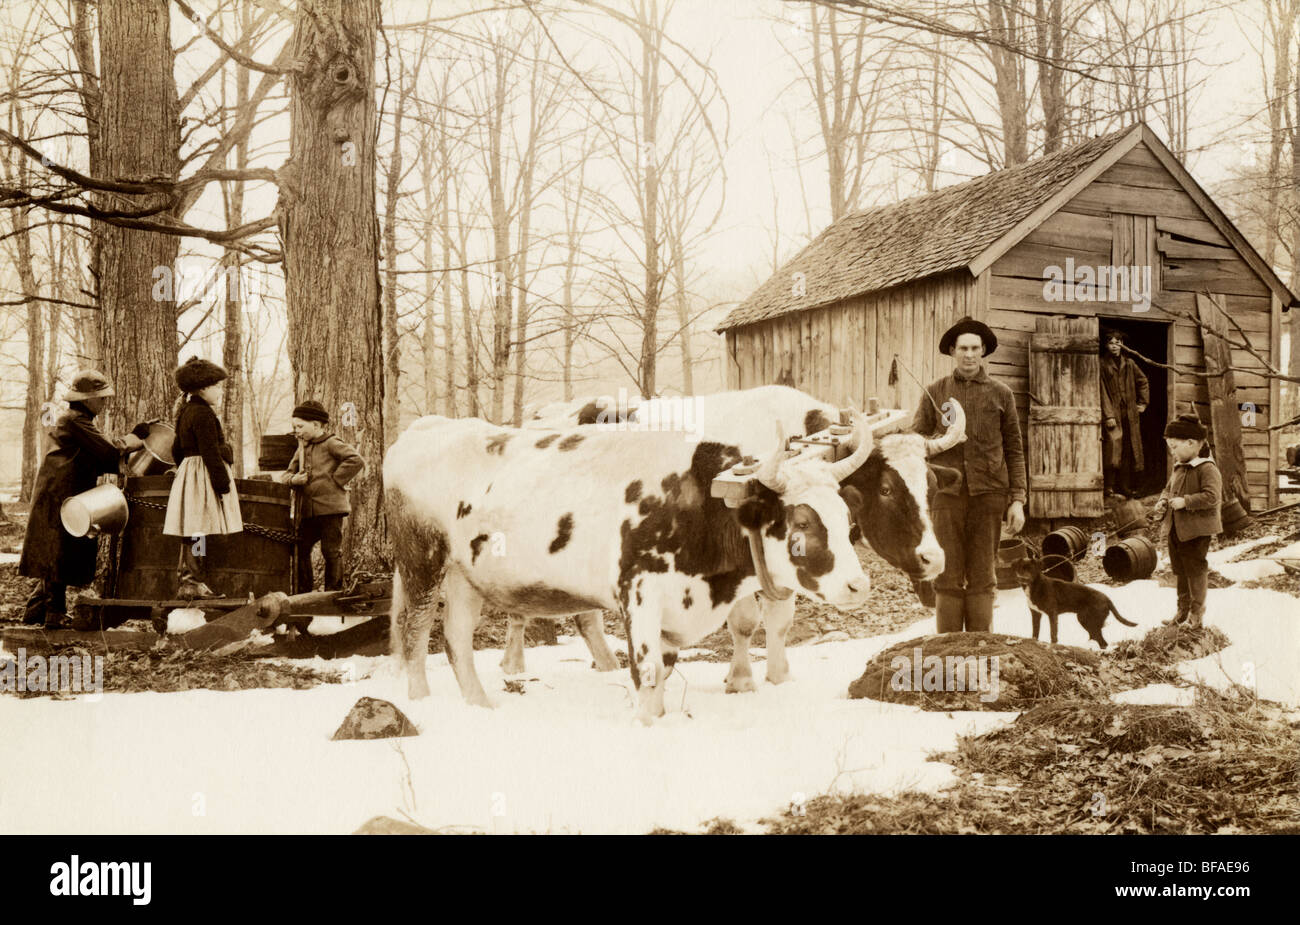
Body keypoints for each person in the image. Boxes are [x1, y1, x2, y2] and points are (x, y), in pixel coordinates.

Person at [913, 316, 1027, 633]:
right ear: (952, 351)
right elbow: (914, 443)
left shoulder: (1001, 394)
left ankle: (980, 647)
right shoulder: (935, 392)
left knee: (982, 575)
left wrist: (1017, 499)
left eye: (975, 348)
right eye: (963, 348)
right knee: (946, 574)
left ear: (983, 351)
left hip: (989, 496)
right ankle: (949, 650)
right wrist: (941, 441)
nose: (969, 355)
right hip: (946, 497)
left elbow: (1015, 450)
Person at [18, 370, 145, 628]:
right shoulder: (75, 420)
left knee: (57, 550)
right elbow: (108, 451)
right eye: (101, 397)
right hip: (61, 493)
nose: (104, 402)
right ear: (86, 399)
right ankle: (53, 613)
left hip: (58, 492)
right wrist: (135, 439)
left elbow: (94, 457)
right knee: (58, 551)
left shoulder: (72, 419)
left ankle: (36, 610)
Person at [163, 357, 242, 599]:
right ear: (204, 388)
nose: (220, 391)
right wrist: (222, 482)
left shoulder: (186, 411)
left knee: (195, 529)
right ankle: (192, 581)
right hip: (203, 474)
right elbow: (210, 451)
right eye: (217, 386)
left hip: (191, 472)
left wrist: (186, 469)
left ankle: (189, 579)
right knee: (199, 528)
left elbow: (177, 449)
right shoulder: (203, 413)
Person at [278, 400, 364, 592]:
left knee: (331, 551)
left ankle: (333, 592)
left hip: (331, 510)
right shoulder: (301, 449)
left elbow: (355, 460)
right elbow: (285, 476)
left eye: (300, 426)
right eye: (294, 427)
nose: (297, 431)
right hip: (307, 513)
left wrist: (335, 481)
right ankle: (304, 593)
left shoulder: (331, 443)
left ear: (316, 425)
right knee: (300, 550)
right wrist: (294, 480)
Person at [1151, 413, 1222, 627]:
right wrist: (1163, 500)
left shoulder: (1207, 468)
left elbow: (1212, 497)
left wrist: (1186, 502)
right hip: (1177, 528)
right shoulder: (1180, 467)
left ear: (1191, 443)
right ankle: (1181, 611)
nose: (1172, 452)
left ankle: (1196, 614)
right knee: (1180, 570)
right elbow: (1168, 489)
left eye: (1174, 447)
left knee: (1195, 570)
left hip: (1196, 531)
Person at [1100, 329, 1150, 498]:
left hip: (1129, 415)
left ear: (1122, 344)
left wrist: (1142, 403)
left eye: (1117, 342)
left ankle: (1127, 488)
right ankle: (1109, 488)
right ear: (1106, 346)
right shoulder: (1102, 364)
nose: (1114, 346)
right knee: (1113, 449)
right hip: (1113, 415)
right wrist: (1108, 416)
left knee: (1130, 449)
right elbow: (1101, 392)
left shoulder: (1129, 364)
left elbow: (1143, 381)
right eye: (1110, 343)